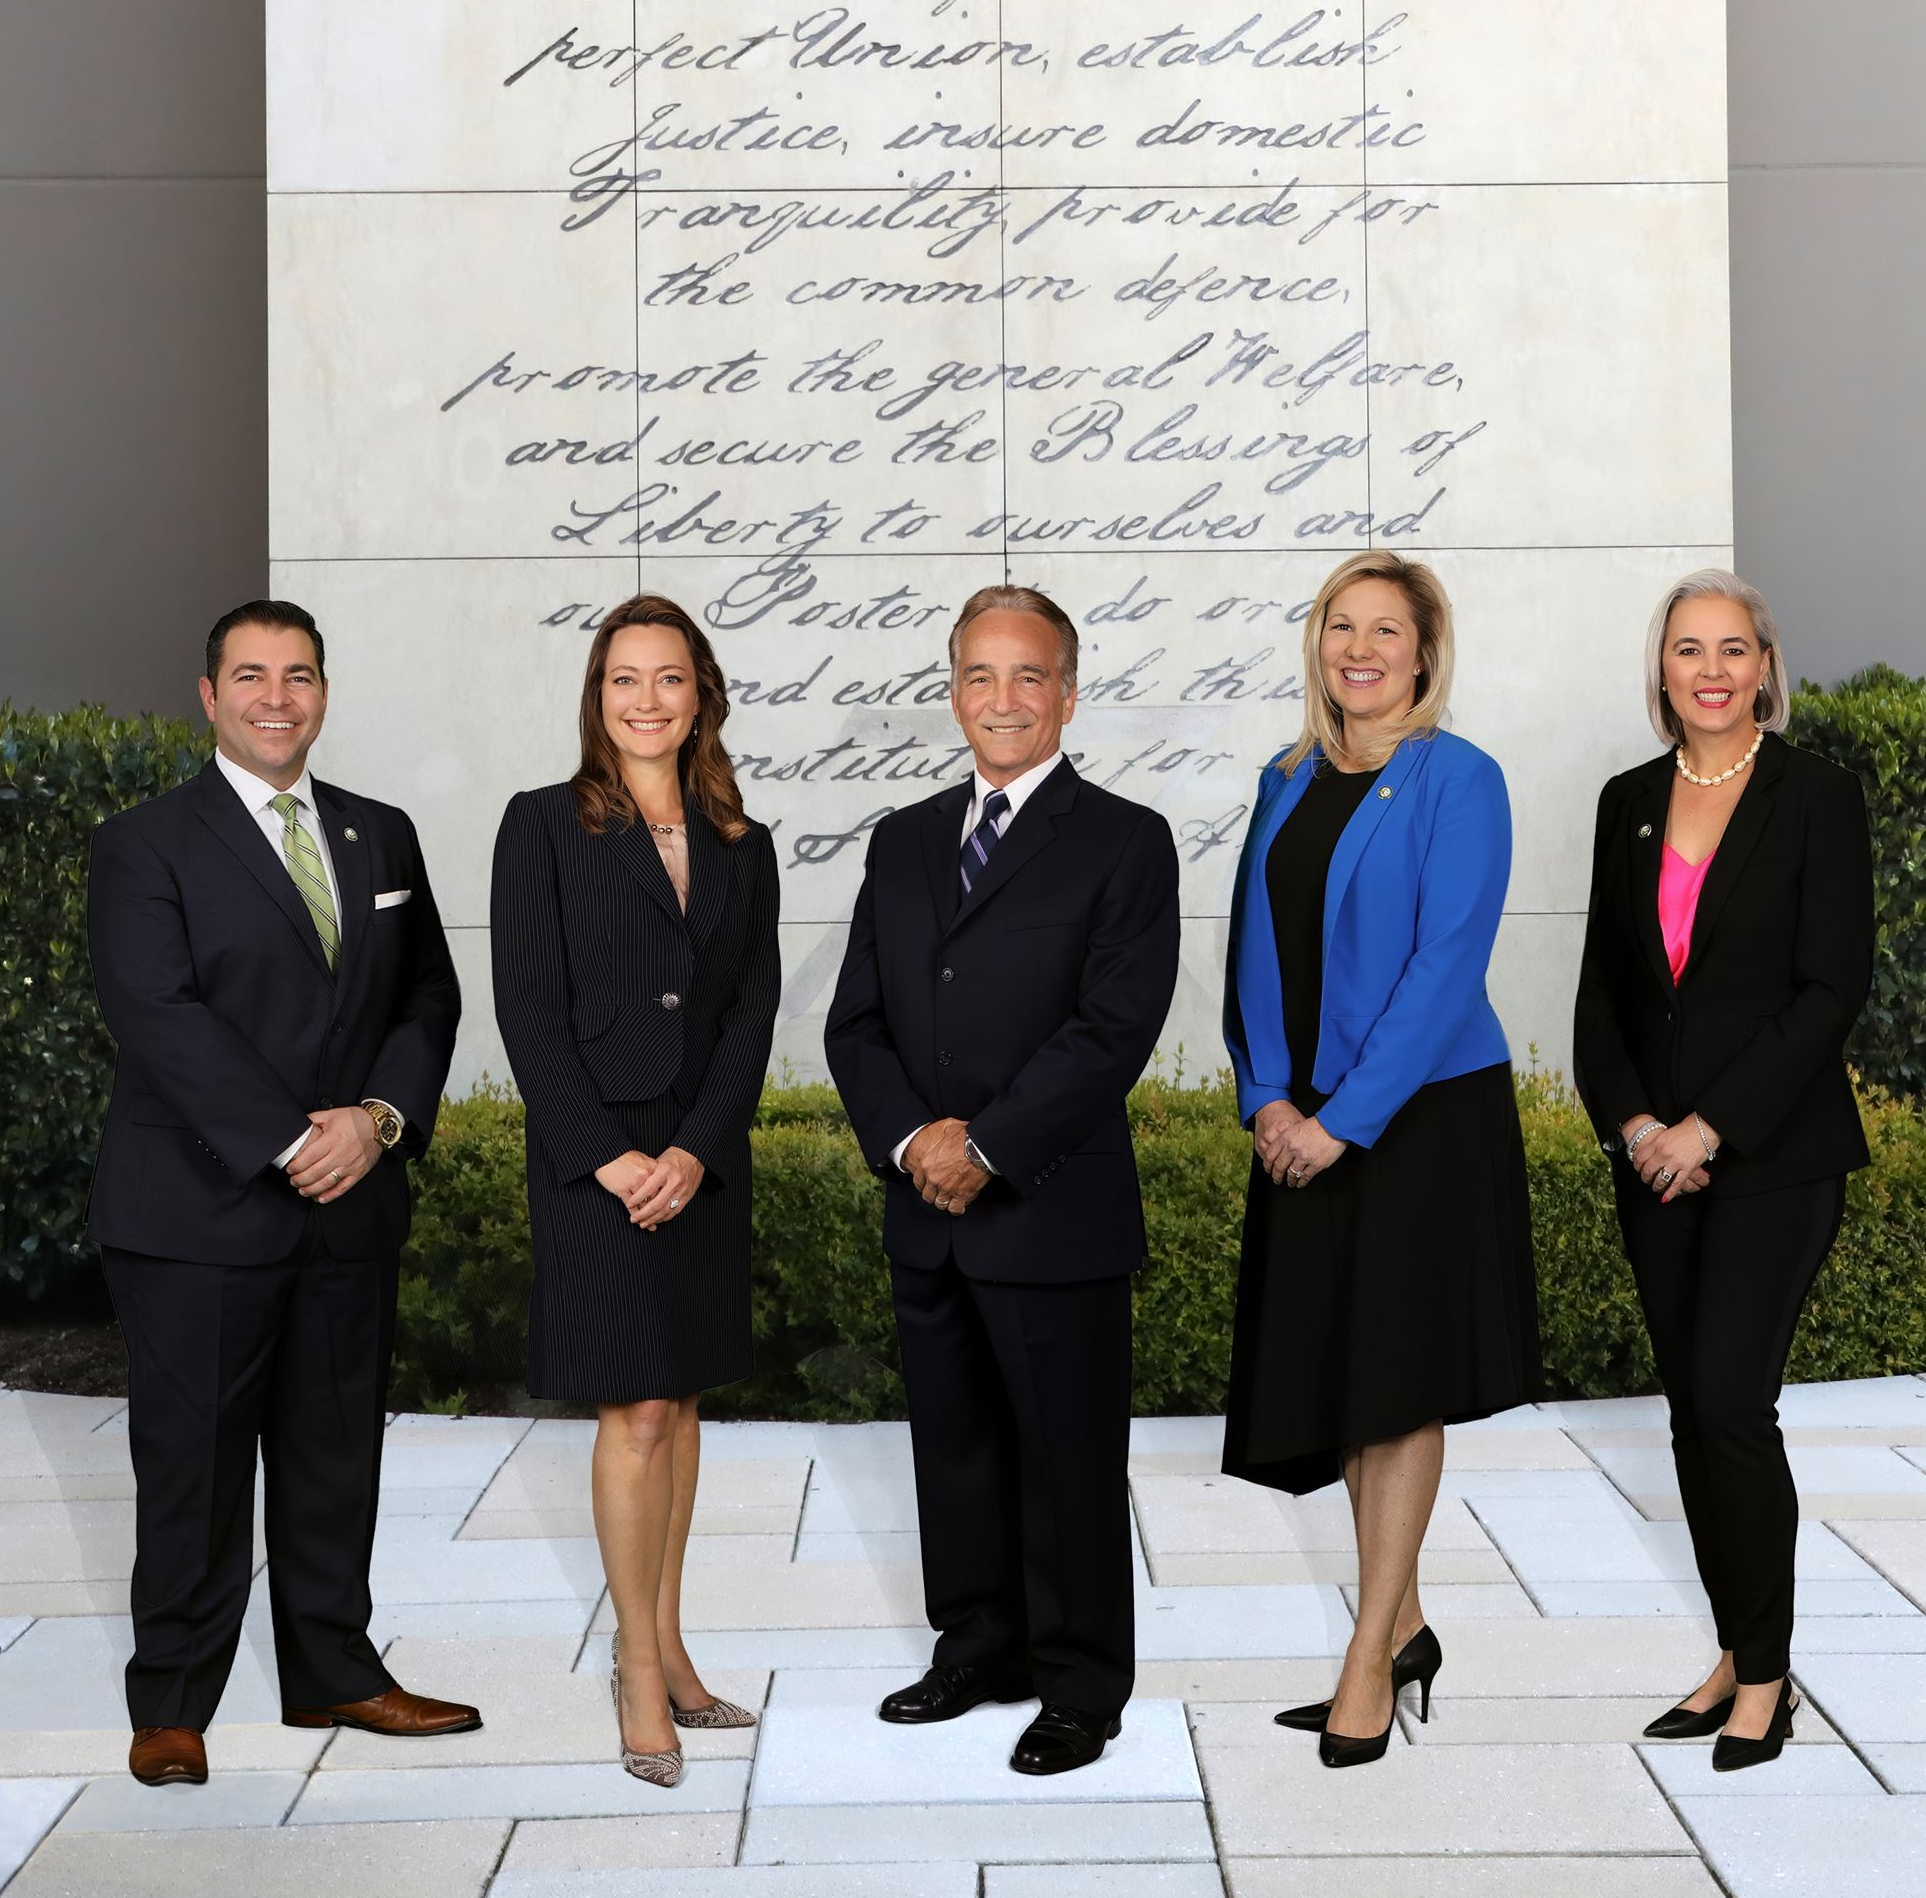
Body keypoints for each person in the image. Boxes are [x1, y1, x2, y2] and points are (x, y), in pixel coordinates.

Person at [85, 600, 477, 1790]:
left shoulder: (382, 833)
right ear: (208, 693)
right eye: (250, 675)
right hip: (200, 1211)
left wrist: (378, 1121)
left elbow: (429, 999)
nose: (276, 696)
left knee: (330, 1453)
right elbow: (157, 1015)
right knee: (193, 1463)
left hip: (352, 1202)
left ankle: (334, 1672)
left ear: (322, 690)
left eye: (298, 674)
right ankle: (172, 1703)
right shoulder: (145, 842)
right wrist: (282, 1140)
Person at [824, 584, 1179, 1778]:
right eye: (982, 674)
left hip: (1051, 1208)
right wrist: (914, 1139)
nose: (1005, 697)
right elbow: (855, 1019)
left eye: (1030, 675)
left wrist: (983, 1145)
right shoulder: (905, 836)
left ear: (1069, 692)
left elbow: (1111, 1029)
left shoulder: (1126, 839)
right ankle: (979, 1643)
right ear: (955, 691)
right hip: (925, 1212)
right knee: (956, 1445)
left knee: (1068, 1457)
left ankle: (1081, 1684)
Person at [1220, 549, 1542, 1770]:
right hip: (1297, 1115)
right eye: (1340, 627)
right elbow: (1253, 946)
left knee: (1397, 1385)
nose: (1360, 648)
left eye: (1384, 630)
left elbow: (1443, 967)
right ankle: (1405, 1624)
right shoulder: (1288, 774)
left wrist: (1339, 1119)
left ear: (1423, 650)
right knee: (1350, 1384)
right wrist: (1264, 1097)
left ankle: (1366, 1656)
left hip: (1420, 1119)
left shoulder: (1462, 779)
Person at [1574, 568, 1873, 1772]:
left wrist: (1710, 1127)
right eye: (1688, 647)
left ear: (1766, 665)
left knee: (1733, 1405)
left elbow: (1828, 989)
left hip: (1775, 1156)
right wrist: (1639, 1124)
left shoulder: (1818, 796)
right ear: (1664, 669)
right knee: (1693, 1415)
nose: (1711, 668)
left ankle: (1767, 1680)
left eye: (1733, 648)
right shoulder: (1626, 798)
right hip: (1654, 1162)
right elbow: (1602, 988)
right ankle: (1735, 1649)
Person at [490, 594, 780, 1790]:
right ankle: (637, 1671)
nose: (646, 699)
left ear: (700, 693)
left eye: (668, 678)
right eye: (624, 678)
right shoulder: (543, 824)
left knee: (686, 1400)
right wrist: (608, 1156)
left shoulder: (742, 837)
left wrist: (701, 1149)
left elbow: (749, 1009)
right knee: (636, 1412)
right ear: (595, 694)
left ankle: (668, 1639)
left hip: (699, 1159)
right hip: (594, 1160)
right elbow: (527, 1005)